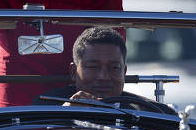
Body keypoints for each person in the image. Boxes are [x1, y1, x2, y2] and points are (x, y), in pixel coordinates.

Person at [33, 27, 174, 114]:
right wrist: (65, 114)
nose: (104, 77)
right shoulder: (44, 109)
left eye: (114, 68)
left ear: (124, 72)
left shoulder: (154, 113)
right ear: (73, 72)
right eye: (93, 67)